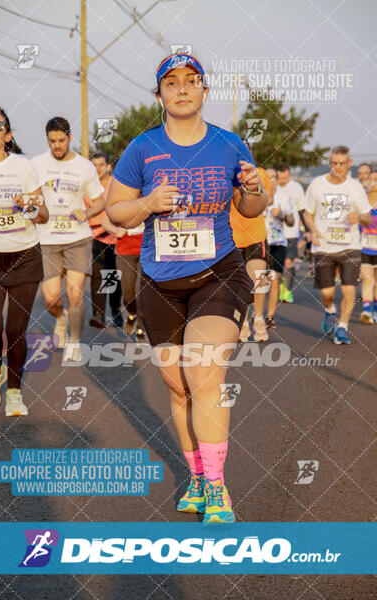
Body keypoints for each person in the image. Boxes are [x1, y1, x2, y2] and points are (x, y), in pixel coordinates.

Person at [107, 53, 267, 524]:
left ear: (203, 90)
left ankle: (216, 488)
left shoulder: (229, 143)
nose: (182, 89)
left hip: (219, 272)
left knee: (204, 373)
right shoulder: (142, 148)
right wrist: (148, 202)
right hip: (159, 282)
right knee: (178, 389)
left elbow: (253, 208)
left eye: (191, 81)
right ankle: (197, 475)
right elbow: (115, 211)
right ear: (158, 94)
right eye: (171, 82)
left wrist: (255, 187)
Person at [0, 104, 49, 416]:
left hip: (24, 257)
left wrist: (29, 207)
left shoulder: (23, 167)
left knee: (16, 330)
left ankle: (16, 393)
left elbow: (43, 216)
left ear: (7, 134)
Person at [32, 118, 105, 361]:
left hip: (78, 237)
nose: (57, 146)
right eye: (52, 141)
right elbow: (28, 198)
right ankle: (60, 318)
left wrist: (88, 212)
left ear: (69, 137)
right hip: (47, 239)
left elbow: (100, 200)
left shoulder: (84, 167)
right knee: (50, 296)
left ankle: (74, 341)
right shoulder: (36, 165)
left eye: (61, 140)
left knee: (75, 293)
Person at [304, 146, 371, 344]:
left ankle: (343, 327)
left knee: (349, 290)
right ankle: (329, 310)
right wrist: (312, 229)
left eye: (342, 163)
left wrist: (357, 216)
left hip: (350, 245)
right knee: (328, 293)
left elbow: (367, 218)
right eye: (334, 163)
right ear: (330, 162)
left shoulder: (355, 187)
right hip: (323, 246)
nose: (337, 167)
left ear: (349, 163)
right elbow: (308, 213)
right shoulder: (317, 184)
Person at [230, 167, 271, 342]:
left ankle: (260, 318)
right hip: (233, 235)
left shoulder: (259, 173)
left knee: (261, 277)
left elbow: (266, 198)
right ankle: (243, 321)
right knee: (242, 283)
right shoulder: (224, 172)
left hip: (256, 233)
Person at [87, 153, 123, 329]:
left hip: (117, 237)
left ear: (108, 166)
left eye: (101, 165)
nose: (97, 169)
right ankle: (98, 314)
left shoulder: (116, 184)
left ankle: (116, 310)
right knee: (98, 275)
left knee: (114, 275)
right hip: (97, 237)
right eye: (93, 165)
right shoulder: (87, 187)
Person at [102, 212, 145, 341]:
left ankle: (141, 331)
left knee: (140, 294)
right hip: (125, 252)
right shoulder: (121, 197)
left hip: (147, 251)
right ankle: (131, 315)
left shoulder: (150, 195)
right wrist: (116, 230)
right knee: (128, 295)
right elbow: (105, 222)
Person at [262, 169, 294, 329]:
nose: (272, 180)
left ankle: (270, 316)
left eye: (274, 177)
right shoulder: (257, 195)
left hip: (278, 243)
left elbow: (291, 221)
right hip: (260, 243)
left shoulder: (283, 197)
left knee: (275, 281)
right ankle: (258, 316)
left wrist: (282, 214)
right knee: (260, 282)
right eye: (268, 177)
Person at [275, 163, 306, 303]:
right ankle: (266, 291)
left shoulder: (296, 188)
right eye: (280, 178)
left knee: (288, 262)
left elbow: (302, 210)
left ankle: (287, 290)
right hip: (272, 234)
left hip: (291, 232)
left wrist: (305, 231)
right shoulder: (271, 188)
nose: (283, 181)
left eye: (285, 178)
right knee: (270, 266)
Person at [359, 175, 377, 323]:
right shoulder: (361, 202)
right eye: (371, 179)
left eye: (376, 179)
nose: (373, 182)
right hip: (365, 247)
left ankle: (376, 310)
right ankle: (366, 310)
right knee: (367, 278)